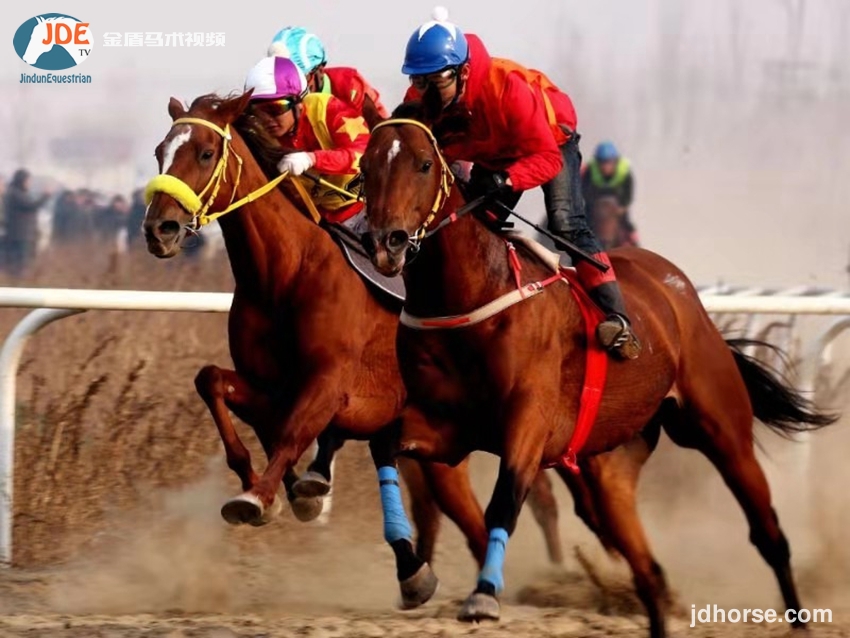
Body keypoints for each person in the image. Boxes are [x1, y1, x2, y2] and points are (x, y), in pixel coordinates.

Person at [400, 8, 640, 359]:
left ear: (463, 72)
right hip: (492, 151)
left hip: (549, 142)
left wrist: (508, 179)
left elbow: (547, 159)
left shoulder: (507, 88)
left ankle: (616, 319)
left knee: (565, 223)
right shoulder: (421, 100)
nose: (426, 94)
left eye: (436, 82)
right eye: (419, 82)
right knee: (473, 224)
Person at [244, 55, 369, 223]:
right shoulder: (260, 136)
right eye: (257, 112)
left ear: (299, 103)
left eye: (275, 108)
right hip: (318, 220)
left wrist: (312, 159)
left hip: (364, 209)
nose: (266, 120)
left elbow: (364, 154)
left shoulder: (327, 108)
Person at [268, 26, 390, 119]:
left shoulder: (350, 85)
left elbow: (381, 130)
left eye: (300, 79)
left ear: (320, 69)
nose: (292, 88)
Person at [581, 141, 639, 247]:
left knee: (626, 221)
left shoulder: (624, 171)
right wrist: (593, 204)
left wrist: (623, 205)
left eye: (609, 162)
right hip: (595, 201)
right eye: (602, 163)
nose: (605, 166)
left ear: (615, 162)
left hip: (617, 201)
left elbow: (628, 191)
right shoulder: (590, 170)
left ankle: (633, 239)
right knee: (584, 219)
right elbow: (584, 190)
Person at [3, 169, 51, 276]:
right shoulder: (15, 193)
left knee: (23, 264)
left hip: (23, 235)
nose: (29, 183)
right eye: (28, 180)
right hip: (19, 236)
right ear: (21, 180)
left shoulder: (18, 193)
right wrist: (45, 196)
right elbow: (32, 206)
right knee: (19, 266)